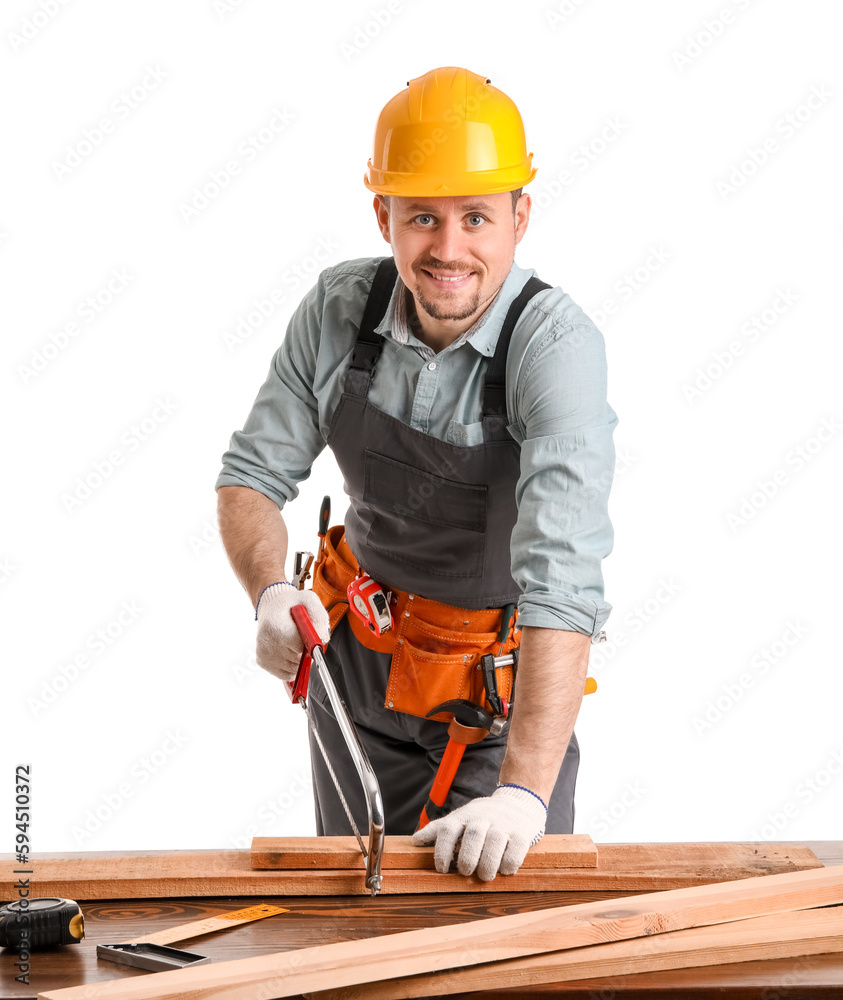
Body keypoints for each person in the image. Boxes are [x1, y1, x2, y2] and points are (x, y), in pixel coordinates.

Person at [216, 66, 617, 882]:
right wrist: (268, 591)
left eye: (476, 217)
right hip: (352, 666)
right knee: (349, 915)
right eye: (422, 217)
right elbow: (251, 474)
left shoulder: (553, 349)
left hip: (488, 705)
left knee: (493, 947)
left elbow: (561, 581)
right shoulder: (339, 310)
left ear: (518, 216)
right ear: (383, 216)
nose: (448, 248)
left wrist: (524, 797)